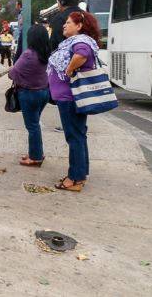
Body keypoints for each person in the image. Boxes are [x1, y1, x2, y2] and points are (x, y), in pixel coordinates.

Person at [47, 11, 101, 192]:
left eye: (68, 22)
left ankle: (75, 178)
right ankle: (80, 173)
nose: (64, 25)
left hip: (70, 98)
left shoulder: (80, 41)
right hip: (70, 97)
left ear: (79, 26)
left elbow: (81, 55)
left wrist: (69, 69)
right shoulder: (76, 41)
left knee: (74, 137)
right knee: (79, 135)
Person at [8, 25, 51, 166]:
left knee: (32, 126)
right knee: (35, 124)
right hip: (44, 92)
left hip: (29, 93)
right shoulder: (47, 53)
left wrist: (12, 70)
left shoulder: (29, 54)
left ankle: (36, 157)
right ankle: (36, 151)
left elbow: (12, 74)